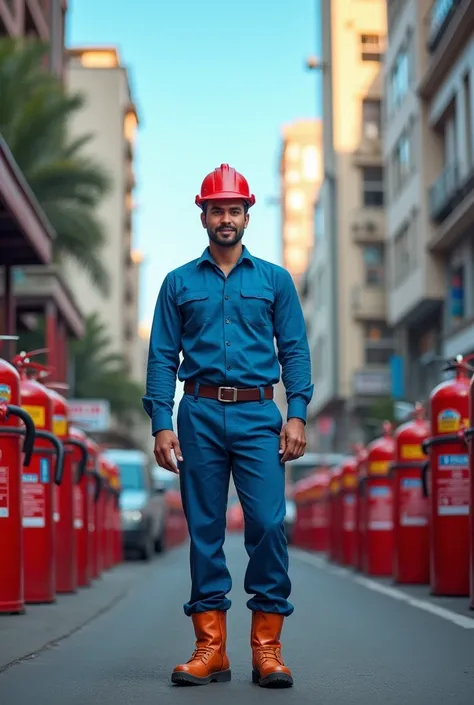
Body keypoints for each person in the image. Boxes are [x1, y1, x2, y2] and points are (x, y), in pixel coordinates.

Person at [143, 164, 313, 689]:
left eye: (234, 210)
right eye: (216, 209)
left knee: (265, 524)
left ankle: (267, 650)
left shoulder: (275, 281)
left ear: (246, 215)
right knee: (205, 531)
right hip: (198, 415)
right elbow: (161, 357)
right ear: (203, 215)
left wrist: (298, 413)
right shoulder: (177, 283)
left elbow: (295, 352)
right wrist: (161, 422)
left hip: (259, 414)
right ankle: (210, 649)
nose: (225, 218)